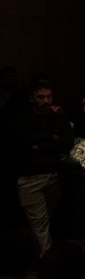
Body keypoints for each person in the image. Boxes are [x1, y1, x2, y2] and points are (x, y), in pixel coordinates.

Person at [1, 79, 75, 258]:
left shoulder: (58, 118)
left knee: (44, 222)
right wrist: (50, 137)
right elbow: (18, 139)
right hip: (30, 177)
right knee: (39, 224)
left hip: (53, 175)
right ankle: (47, 263)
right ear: (32, 98)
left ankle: (38, 260)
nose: (46, 101)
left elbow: (67, 142)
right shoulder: (21, 118)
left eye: (49, 97)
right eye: (41, 97)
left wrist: (39, 145)